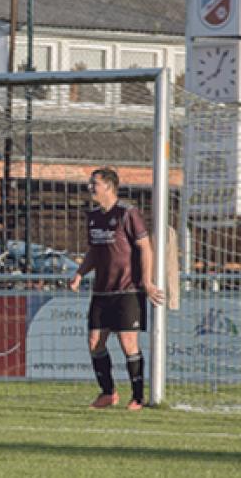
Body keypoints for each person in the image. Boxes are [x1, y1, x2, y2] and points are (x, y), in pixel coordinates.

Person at [69, 167, 164, 411]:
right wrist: (79, 274)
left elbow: (145, 247)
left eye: (95, 184)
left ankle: (138, 397)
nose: (90, 187)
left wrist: (147, 281)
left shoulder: (127, 213)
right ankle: (108, 393)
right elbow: (94, 251)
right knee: (94, 342)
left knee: (128, 343)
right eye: (90, 183)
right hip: (101, 291)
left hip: (128, 290)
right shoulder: (92, 216)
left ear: (109, 187)